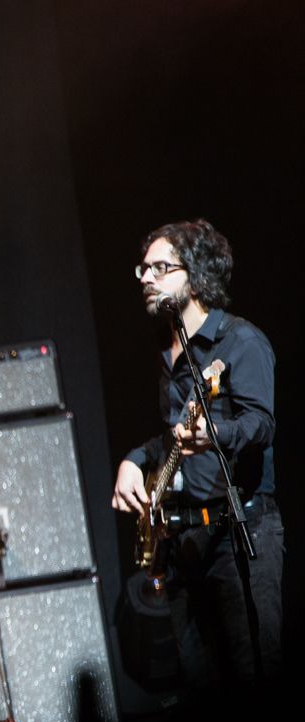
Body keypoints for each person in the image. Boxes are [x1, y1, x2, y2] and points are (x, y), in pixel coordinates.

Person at [110, 219, 283, 696]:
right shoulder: (166, 357)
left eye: (161, 268)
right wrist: (133, 460)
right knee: (202, 692)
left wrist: (216, 434)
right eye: (142, 269)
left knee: (254, 680)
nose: (146, 277)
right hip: (186, 541)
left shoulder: (239, 341)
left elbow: (261, 424)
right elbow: (172, 440)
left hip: (240, 530)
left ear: (196, 275)